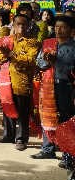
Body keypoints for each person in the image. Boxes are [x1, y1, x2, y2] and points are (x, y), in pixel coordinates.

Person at [32, 15, 75, 163]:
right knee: (46, 116)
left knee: (65, 118)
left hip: (66, 86)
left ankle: (68, 154)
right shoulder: (48, 43)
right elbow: (39, 62)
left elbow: (71, 69)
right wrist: (47, 62)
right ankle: (47, 149)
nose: (59, 30)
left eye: (63, 27)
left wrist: (57, 62)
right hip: (48, 84)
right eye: (56, 27)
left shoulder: (73, 47)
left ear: (71, 30)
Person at [0, 14, 40, 151]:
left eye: (24, 24)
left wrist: (11, 54)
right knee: (7, 107)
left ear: (28, 25)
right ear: (13, 25)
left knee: (22, 111)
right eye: (18, 24)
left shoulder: (32, 42)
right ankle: (8, 135)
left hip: (22, 81)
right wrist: (4, 53)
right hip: (6, 79)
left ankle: (21, 138)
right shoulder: (8, 39)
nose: (21, 27)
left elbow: (30, 60)